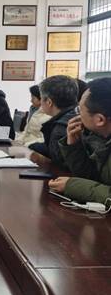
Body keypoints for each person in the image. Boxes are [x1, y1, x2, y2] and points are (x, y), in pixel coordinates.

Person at [49, 77, 111, 206]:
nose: (76, 115)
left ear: (100, 120)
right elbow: (92, 177)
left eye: (79, 110)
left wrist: (72, 186)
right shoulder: (100, 139)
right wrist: (74, 147)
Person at [29, 75, 78, 165]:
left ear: (49, 102)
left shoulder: (61, 127)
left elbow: (58, 163)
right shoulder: (75, 115)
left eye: (41, 98)